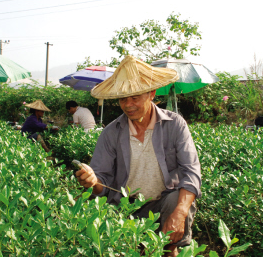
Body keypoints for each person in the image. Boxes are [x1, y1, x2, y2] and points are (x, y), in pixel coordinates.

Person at [75, 55, 201, 257]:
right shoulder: (111, 133)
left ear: (151, 94)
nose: (128, 104)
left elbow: (191, 171)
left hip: (164, 203)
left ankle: (171, 249)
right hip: (126, 207)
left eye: (135, 97)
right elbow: (102, 181)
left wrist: (180, 212)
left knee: (177, 202)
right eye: (123, 98)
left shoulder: (175, 124)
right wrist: (92, 181)